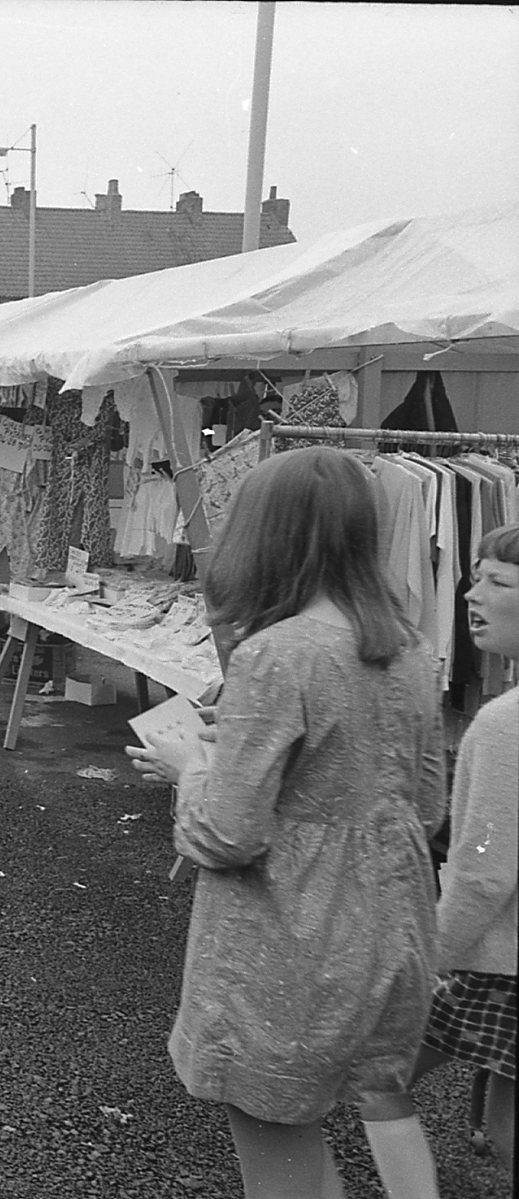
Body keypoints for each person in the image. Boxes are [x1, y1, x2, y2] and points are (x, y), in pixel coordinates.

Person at [127, 445, 447, 1199]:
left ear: (262, 534)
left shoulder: (275, 654)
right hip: (390, 926)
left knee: (283, 1165)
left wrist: (192, 767)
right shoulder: (406, 648)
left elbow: (226, 833)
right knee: (360, 1108)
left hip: (287, 938)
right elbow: (423, 803)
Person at [366, 521, 518, 1180]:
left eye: (497, 581)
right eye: (475, 574)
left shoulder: (504, 725)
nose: (470, 593)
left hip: (493, 964)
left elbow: (484, 872)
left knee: (375, 1070)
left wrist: (431, 956)